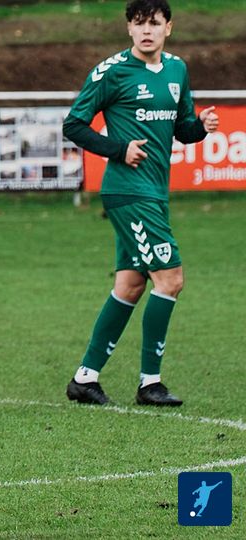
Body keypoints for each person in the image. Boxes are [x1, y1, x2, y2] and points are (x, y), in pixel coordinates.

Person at [62, 0, 219, 406]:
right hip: (128, 192)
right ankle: (151, 383)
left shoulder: (177, 69)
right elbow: (74, 124)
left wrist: (201, 127)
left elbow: (183, 129)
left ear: (169, 27)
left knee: (131, 285)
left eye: (154, 23)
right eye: (138, 23)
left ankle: (85, 378)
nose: (146, 30)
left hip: (155, 192)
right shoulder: (111, 71)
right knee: (171, 279)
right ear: (129, 29)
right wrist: (119, 149)